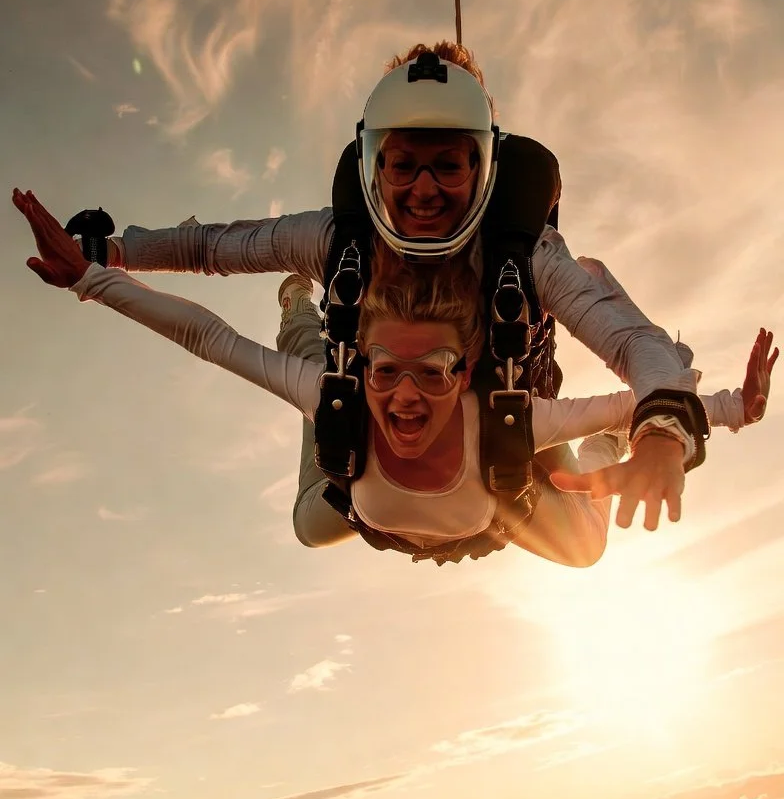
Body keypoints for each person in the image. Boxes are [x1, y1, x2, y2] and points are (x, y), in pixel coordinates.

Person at [94, 42, 710, 534]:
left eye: (447, 165)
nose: (423, 190)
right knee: (313, 515)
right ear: (376, 167)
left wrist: (658, 433)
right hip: (384, 417)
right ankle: (297, 309)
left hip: (507, 428)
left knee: (585, 547)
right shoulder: (338, 242)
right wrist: (108, 252)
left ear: (482, 169)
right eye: (403, 164)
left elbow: (632, 341)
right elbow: (213, 248)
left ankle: (606, 444)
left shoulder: (529, 257)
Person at [13, 188, 777, 567]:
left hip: (500, 469)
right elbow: (210, 311)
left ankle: (339, 348)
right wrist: (99, 266)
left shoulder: (528, 323)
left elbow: (629, 385)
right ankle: (299, 311)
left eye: (435, 374)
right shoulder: (344, 349)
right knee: (316, 486)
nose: (407, 395)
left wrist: (695, 420)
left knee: (585, 547)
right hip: (376, 450)